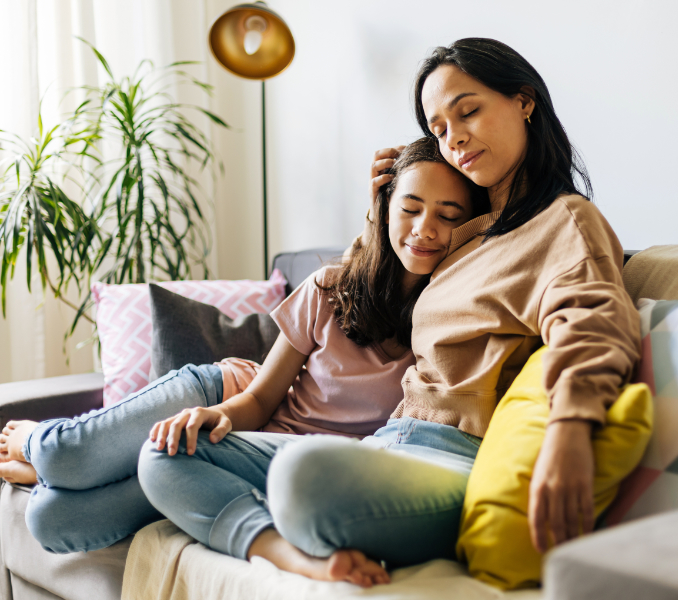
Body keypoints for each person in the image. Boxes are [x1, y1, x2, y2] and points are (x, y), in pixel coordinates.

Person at [233, 37, 640, 582]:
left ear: (524, 101)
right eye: (439, 129)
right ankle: (285, 544)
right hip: (388, 441)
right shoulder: (467, 236)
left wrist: (569, 429)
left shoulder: (564, 221)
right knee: (169, 455)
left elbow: (593, 322)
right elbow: (369, 285)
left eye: (468, 111)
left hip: (452, 457)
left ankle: (278, 532)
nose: (455, 138)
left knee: (299, 476)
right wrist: (381, 206)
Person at [0, 138, 486, 585]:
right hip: (229, 396)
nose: (426, 229)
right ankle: (39, 445)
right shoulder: (330, 288)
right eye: (411, 207)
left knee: (53, 520)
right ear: (385, 209)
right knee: (64, 454)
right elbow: (260, 398)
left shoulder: (451, 324)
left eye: (448, 215)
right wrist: (219, 416)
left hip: (272, 462)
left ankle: (61, 474)